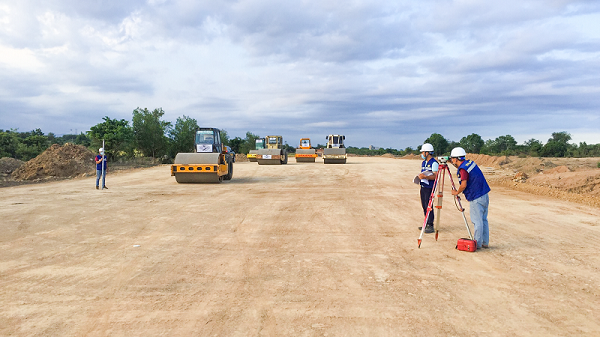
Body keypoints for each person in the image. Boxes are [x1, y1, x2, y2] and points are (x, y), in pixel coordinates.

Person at [450, 147, 490, 249]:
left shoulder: (462, 170)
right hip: (484, 194)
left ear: (455, 159)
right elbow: (464, 170)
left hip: (476, 197)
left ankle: (477, 244)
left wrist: (456, 192)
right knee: (483, 220)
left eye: (452, 158)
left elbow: (463, 184)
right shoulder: (470, 163)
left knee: (477, 221)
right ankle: (485, 242)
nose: (451, 160)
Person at [417, 143, 438, 233]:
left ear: (427, 153)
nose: (422, 154)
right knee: (424, 205)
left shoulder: (434, 163)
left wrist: (425, 177)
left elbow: (435, 176)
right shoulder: (423, 162)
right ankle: (426, 222)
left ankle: (430, 224)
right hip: (423, 186)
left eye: (423, 152)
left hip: (430, 187)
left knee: (429, 205)